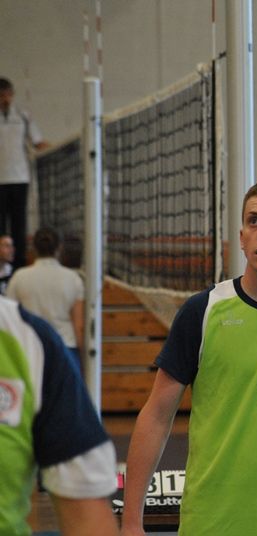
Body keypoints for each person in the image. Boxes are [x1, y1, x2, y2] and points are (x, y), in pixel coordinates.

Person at [121, 178, 257, 536]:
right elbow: (157, 416)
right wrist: (132, 520)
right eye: (254, 221)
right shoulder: (203, 311)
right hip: (212, 523)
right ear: (241, 237)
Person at [0, 296, 118, 535]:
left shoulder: (27, 339)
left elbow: (87, 518)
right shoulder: (71, 283)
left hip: (52, 353)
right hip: (67, 344)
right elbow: (80, 324)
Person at [6, 227, 84, 370]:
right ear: (59, 248)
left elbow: (10, 317)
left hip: (30, 346)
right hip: (65, 347)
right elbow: (78, 325)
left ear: (34, 248)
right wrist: (81, 358)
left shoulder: (19, 277)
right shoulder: (73, 279)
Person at [0, 78, 48, 269]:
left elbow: (38, 142)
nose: (5, 99)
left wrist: (63, 148)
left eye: (7, 95)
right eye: (1, 95)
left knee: (19, 225)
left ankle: (18, 264)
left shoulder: (23, 116)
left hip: (19, 178)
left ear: (12, 95)